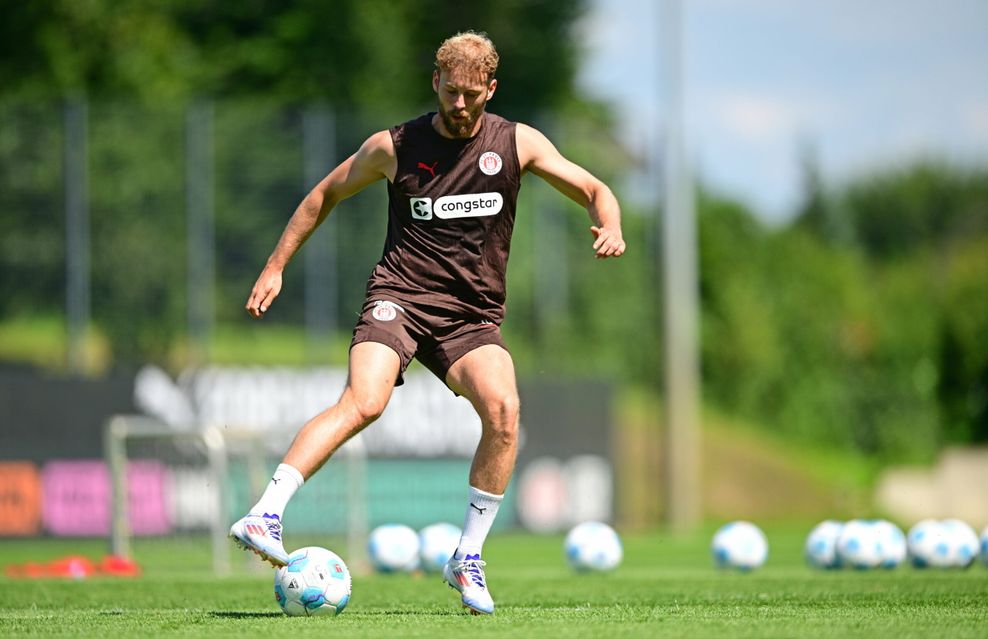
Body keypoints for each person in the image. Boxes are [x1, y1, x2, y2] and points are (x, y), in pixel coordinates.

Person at [229, 31, 625, 615]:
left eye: (471, 94)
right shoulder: (395, 146)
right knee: (365, 402)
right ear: (434, 82)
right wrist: (275, 267)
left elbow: (595, 187)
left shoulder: (517, 143)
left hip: (470, 317)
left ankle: (467, 557)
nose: (459, 104)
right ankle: (264, 514)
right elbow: (323, 195)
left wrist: (608, 223)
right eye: (450, 90)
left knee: (505, 411)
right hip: (400, 295)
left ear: (490, 89)